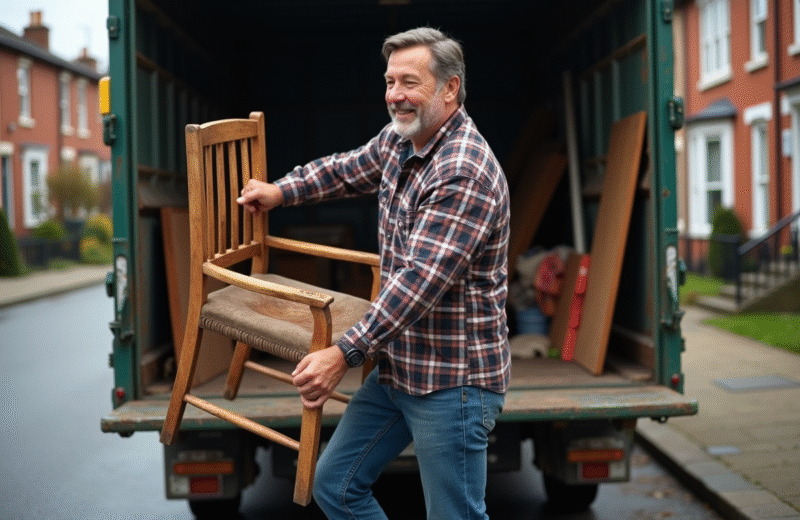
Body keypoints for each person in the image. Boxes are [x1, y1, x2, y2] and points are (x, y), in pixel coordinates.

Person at [237, 27, 510, 520]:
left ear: (450, 88)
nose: (395, 95)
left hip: (454, 382)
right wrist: (282, 191)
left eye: (410, 81)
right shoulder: (402, 140)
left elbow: (418, 283)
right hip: (401, 368)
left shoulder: (463, 169)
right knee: (336, 487)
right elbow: (346, 169)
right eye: (389, 81)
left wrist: (343, 352)